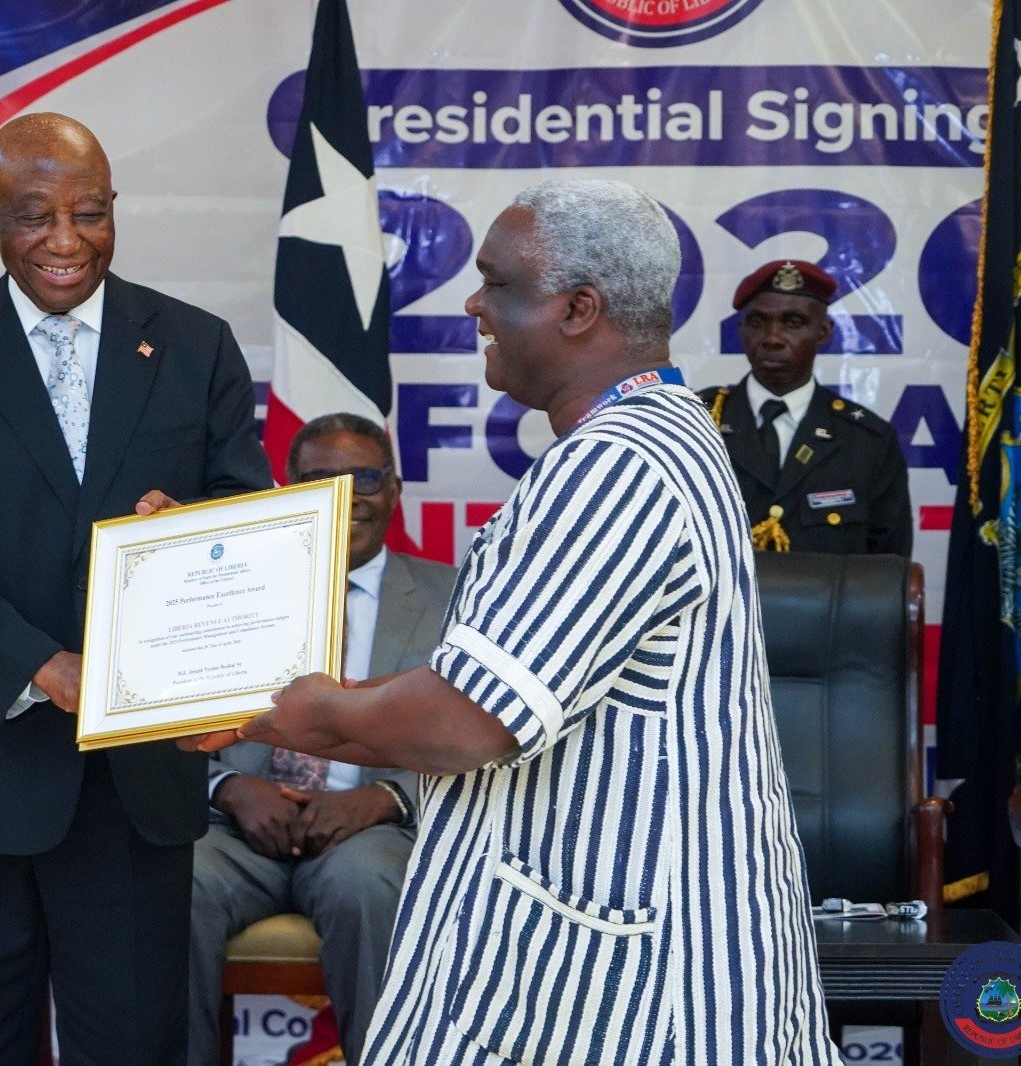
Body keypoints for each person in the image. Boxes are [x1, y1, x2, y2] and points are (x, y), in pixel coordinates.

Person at [189, 179, 839, 1064]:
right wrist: (295, 698)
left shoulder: (617, 468)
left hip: (632, 991)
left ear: (578, 309)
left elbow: (468, 718)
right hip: (610, 957)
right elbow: (480, 675)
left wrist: (278, 713)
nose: (473, 304)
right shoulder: (651, 438)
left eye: (496, 283)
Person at [0, 112, 271, 1064]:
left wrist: (191, 530)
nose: (65, 240)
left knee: (131, 1047)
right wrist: (44, 666)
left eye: (89, 213)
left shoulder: (195, 344)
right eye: (33, 216)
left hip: (136, 779)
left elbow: (247, 522)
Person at [190, 413, 455, 1065]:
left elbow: (481, 733)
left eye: (364, 477)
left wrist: (388, 799)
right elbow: (164, 722)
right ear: (288, 490)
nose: (346, 496)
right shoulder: (226, 588)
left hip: (371, 833)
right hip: (236, 833)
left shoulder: (455, 596)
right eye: (321, 479)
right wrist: (229, 786)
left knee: (368, 884)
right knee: (175, 881)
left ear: (395, 489)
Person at [696, 259, 912, 555]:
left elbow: (888, 572)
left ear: (823, 332)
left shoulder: (868, 442)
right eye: (758, 323)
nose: (772, 338)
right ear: (741, 330)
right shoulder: (697, 421)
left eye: (793, 323)